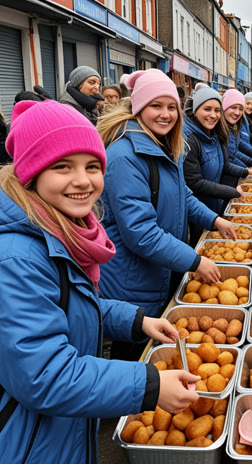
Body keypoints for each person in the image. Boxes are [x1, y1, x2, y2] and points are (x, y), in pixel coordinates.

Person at [0, 100, 201, 462]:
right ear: (31, 171)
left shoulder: (61, 230)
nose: (83, 180)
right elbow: (44, 375)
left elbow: (70, 303)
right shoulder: (16, 257)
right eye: (62, 166)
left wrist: (137, 320)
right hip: (29, 442)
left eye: (92, 166)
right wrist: (149, 385)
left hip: (64, 429)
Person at [96, 70, 234, 359]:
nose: (165, 114)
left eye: (171, 107)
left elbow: (183, 194)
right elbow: (141, 234)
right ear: (138, 108)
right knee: (135, 354)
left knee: (158, 351)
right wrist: (195, 261)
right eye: (155, 106)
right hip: (132, 280)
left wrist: (214, 219)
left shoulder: (165, 146)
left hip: (160, 268)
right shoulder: (125, 156)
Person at [183, 87, 249, 244]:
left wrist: (247, 172)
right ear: (195, 110)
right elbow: (194, 183)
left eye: (217, 110)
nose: (213, 115)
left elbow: (225, 165)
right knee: (199, 243)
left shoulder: (215, 133)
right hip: (198, 210)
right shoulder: (189, 139)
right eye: (207, 109)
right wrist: (232, 191)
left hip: (215, 204)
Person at [223, 89, 252, 171]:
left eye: (240, 109)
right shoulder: (223, 127)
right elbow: (231, 156)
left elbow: (239, 143)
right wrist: (247, 168)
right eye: (233, 107)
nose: (237, 112)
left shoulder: (235, 123)